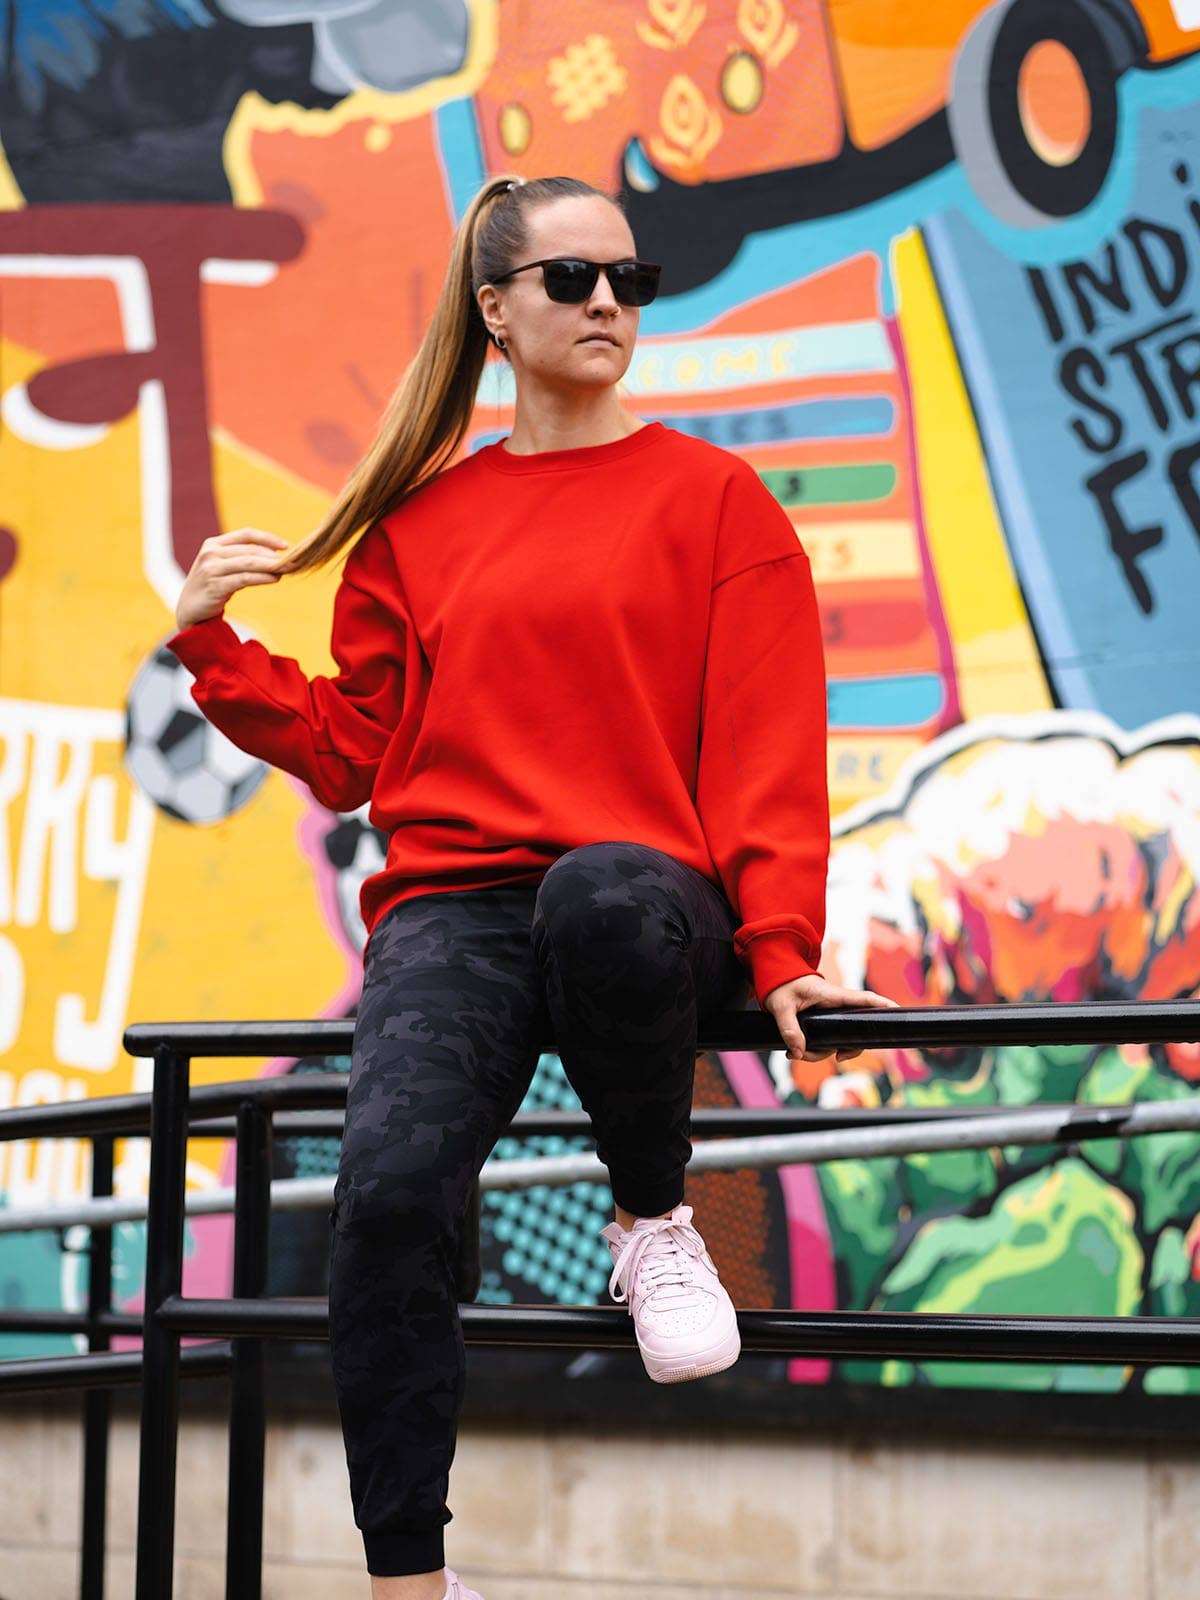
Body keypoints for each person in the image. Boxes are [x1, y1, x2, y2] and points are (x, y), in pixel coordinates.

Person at [165, 172, 898, 1600]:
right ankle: (409, 1583)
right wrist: (212, 648)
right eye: (573, 279)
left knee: (600, 896)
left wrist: (783, 947)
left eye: (631, 278)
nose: (609, 301)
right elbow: (353, 751)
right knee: (386, 1199)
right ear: (496, 311)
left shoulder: (719, 502)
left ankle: (654, 1221)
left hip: (644, 902)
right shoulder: (418, 528)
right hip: (458, 909)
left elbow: (766, 749)